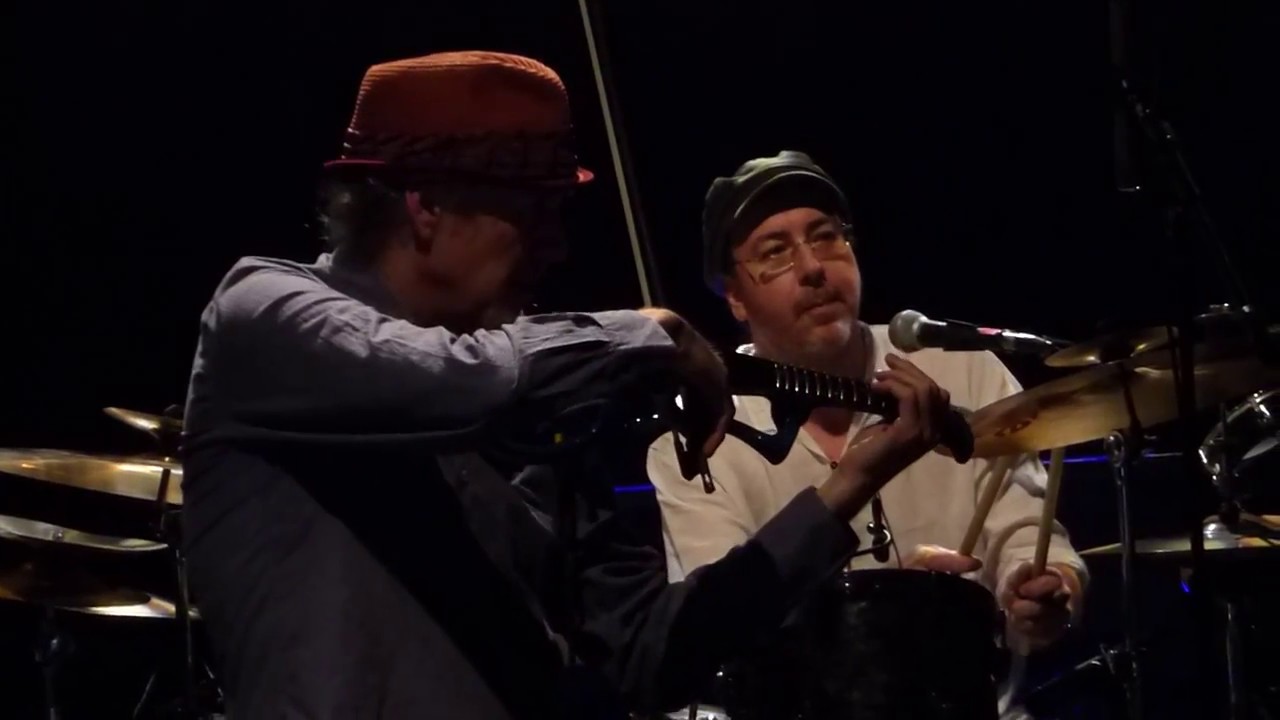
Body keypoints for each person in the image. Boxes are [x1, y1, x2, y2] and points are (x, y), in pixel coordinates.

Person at [180, 54, 957, 720]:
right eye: (534, 213)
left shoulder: (549, 398)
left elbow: (648, 658)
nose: (556, 247)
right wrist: (653, 335)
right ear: (428, 205)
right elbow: (457, 384)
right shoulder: (264, 311)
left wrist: (844, 490)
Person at [647, 150, 1089, 716]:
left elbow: (1026, 531)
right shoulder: (700, 432)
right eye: (775, 252)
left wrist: (1040, 587)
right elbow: (718, 626)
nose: (813, 267)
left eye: (826, 237)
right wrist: (887, 617)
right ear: (734, 295)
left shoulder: (964, 371)